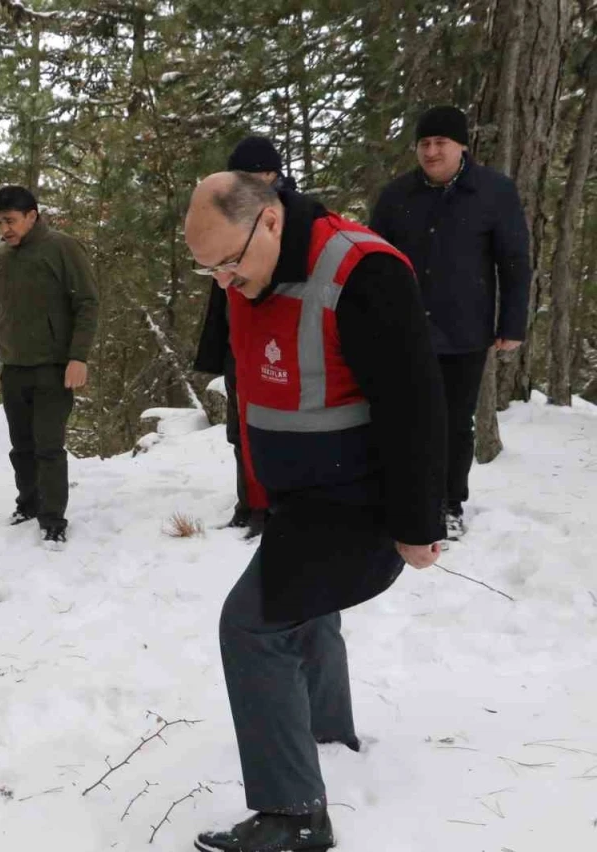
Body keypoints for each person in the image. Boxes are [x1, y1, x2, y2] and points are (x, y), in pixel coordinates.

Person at [183, 173, 446, 852]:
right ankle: (328, 737)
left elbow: (415, 405)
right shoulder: (249, 271)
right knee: (304, 605)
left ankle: (295, 814)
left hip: (357, 499)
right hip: (300, 497)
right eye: (207, 269)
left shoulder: (361, 270)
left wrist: (417, 525)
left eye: (228, 264)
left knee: (251, 626)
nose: (221, 281)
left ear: (269, 221)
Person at [370, 105, 530, 540]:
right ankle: (403, 499)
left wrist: (512, 323)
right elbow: (371, 263)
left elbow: (514, 261)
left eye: (441, 142)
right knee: (404, 419)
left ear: (462, 146)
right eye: (424, 143)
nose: (431, 151)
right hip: (405, 331)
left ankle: (449, 502)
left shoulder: (494, 192)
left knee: (455, 422)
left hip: (464, 330)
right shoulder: (396, 196)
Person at [0, 185, 100, 547]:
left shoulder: (62, 248)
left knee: (48, 446)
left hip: (53, 367)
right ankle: (28, 504)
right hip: (14, 368)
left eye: (11, 221)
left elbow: (88, 304)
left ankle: (52, 520)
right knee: (22, 447)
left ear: (32, 215)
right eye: (0, 222)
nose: (4, 229)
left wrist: (78, 356)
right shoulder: (2, 258)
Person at [193, 136, 294, 539]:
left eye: (251, 177)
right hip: (240, 338)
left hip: (279, 339)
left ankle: (277, 506)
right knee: (241, 427)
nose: (244, 185)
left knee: (278, 426)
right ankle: (249, 503)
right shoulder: (229, 213)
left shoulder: (289, 217)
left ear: (272, 175)